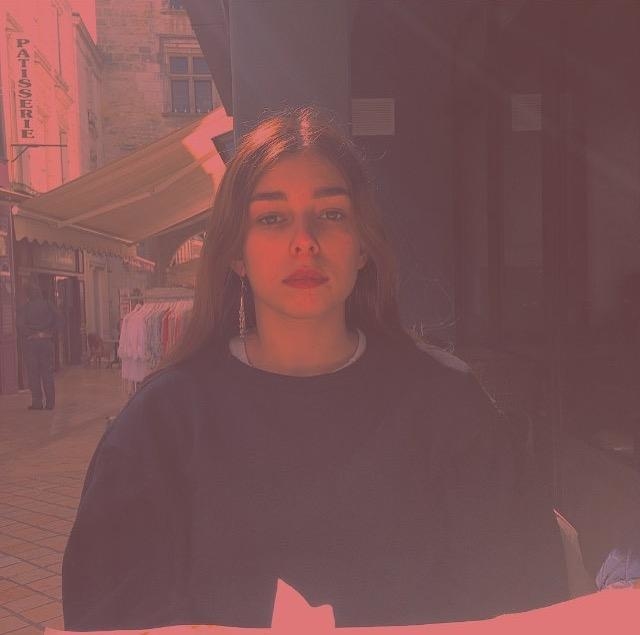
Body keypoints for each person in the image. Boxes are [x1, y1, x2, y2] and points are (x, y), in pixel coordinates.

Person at [62, 107, 568, 631]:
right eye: (272, 218)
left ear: (363, 246)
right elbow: (107, 609)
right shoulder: (163, 423)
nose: (304, 240)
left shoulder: (446, 403)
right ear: (236, 253)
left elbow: (525, 592)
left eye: (331, 214)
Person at [16, 283, 62, 410]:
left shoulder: (25, 308)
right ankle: (50, 403)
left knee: (33, 373)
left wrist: (31, 333)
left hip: (31, 342)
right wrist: (50, 332)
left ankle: (37, 402)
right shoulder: (48, 305)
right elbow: (59, 318)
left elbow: (19, 325)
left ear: (29, 294)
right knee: (47, 372)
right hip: (46, 341)